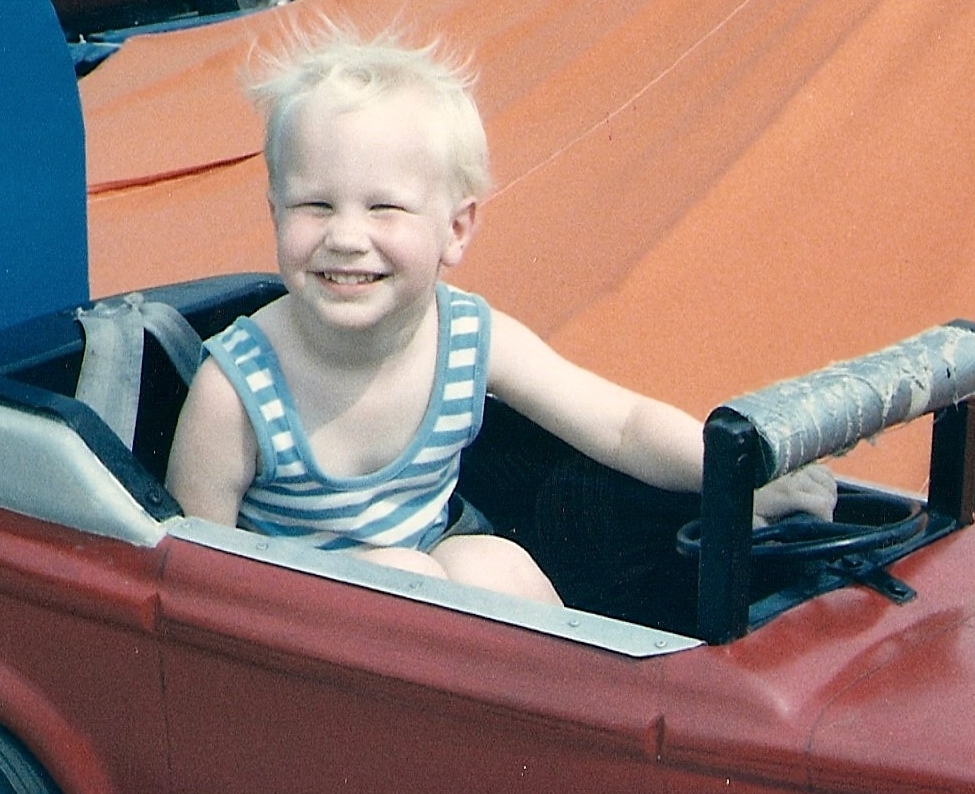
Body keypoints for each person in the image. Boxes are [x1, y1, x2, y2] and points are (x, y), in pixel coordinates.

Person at [165, 32, 837, 605]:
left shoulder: (463, 339)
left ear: (455, 229)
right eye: (315, 204)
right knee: (407, 576)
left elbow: (621, 425)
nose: (345, 236)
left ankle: (566, 720)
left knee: (494, 565)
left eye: (384, 208)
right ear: (275, 213)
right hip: (294, 638)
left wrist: (733, 473)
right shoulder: (235, 390)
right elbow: (191, 582)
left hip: (424, 592)